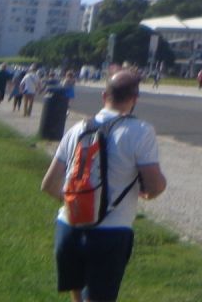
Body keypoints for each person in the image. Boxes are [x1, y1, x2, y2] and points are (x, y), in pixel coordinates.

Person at [40, 69, 166, 302]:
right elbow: (155, 184)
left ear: (103, 95)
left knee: (77, 296)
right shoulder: (140, 131)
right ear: (134, 99)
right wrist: (149, 192)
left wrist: (75, 201)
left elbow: (48, 184)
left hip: (68, 226)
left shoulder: (77, 129)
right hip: (111, 230)